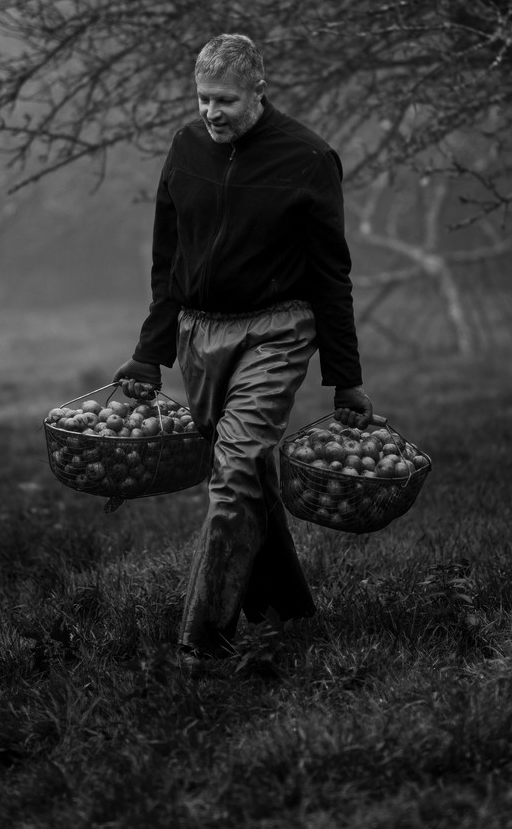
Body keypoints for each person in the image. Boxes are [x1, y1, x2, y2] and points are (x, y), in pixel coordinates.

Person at [114, 33, 374, 665]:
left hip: (278, 329)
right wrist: (150, 352)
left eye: (224, 99)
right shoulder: (185, 148)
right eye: (203, 99)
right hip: (199, 332)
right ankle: (287, 611)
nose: (211, 112)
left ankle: (202, 640)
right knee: (248, 469)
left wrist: (346, 376)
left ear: (259, 89)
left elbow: (330, 275)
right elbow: (167, 260)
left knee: (233, 476)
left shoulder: (309, 158)